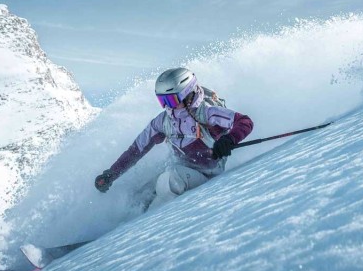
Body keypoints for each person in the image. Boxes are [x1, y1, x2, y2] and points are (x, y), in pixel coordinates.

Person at [94, 68, 254, 210]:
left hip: (207, 174)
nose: (167, 106)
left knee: (170, 180)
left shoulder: (207, 112)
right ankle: (121, 227)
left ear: (187, 94)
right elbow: (137, 149)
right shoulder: (163, 121)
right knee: (145, 191)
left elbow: (244, 122)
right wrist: (111, 174)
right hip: (182, 168)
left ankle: (143, 226)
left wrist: (229, 139)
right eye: (162, 101)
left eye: (170, 100)